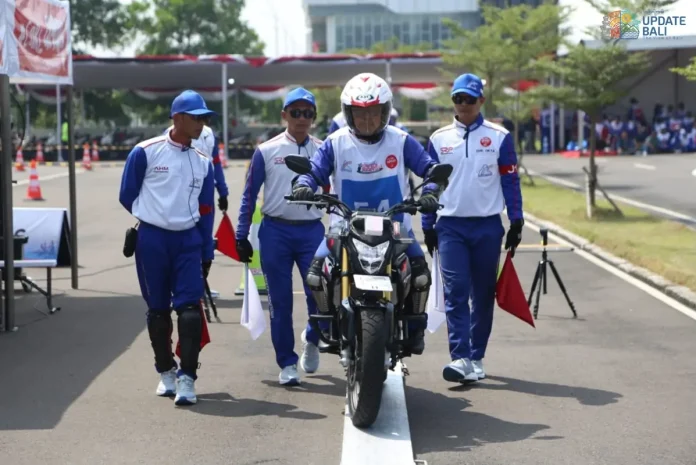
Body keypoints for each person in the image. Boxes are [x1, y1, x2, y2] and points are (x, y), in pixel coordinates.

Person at [292, 73, 443, 355]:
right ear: (348, 113)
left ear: (385, 111)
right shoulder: (335, 142)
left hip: (396, 227)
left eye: (374, 113)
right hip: (344, 227)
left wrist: (432, 191)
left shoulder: (401, 141)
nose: (367, 120)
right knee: (315, 275)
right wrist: (303, 185)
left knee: (421, 276)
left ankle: (415, 328)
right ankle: (325, 326)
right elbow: (313, 171)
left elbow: (430, 169)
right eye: (360, 114)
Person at [422, 73, 523, 384]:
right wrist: (428, 224)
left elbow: (510, 180)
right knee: (455, 292)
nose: (463, 105)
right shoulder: (439, 140)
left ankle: (476, 356)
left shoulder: (499, 137)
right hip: (451, 226)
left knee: (482, 294)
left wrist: (516, 220)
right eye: (458, 99)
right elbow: (431, 185)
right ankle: (461, 357)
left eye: (469, 99)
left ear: (481, 101)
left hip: (487, 227)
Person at [119, 90, 216, 406]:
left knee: (189, 314)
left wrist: (205, 251)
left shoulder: (203, 162)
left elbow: (205, 208)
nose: (202, 123)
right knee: (159, 313)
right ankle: (166, 372)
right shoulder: (145, 152)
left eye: (204, 118)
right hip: (153, 240)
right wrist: (154, 216)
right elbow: (127, 195)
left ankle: (188, 379)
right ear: (177, 118)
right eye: (196, 117)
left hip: (188, 241)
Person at [235, 87, 327, 386]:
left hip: (312, 231)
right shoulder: (266, 150)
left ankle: (312, 338)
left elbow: (336, 190)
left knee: (320, 296)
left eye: (308, 113)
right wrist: (241, 234)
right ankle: (286, 362)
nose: (302, 119)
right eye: (296, 112)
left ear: (314, 117)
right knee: (280, 301)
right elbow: (249, 195)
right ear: (284, 115)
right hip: (276, 232)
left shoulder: (323, 150)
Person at [163, 124, 229, 212]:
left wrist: (223, 193)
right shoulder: (169, 134)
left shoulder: (209, 134)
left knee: (205, 222)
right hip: (179, 192)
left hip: (205, 190)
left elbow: (216, 164)